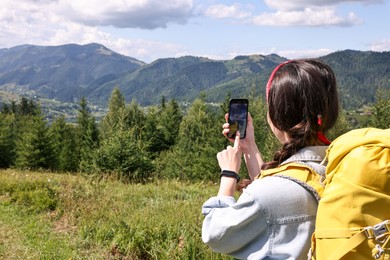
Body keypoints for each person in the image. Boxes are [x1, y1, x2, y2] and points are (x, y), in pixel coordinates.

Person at [201, 59, 339, 259]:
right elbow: (284, 188)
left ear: (277, 115)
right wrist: (249, 147)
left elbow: (216, 234)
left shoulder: (268, 195)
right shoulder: (338, 166)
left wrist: (228, 175)